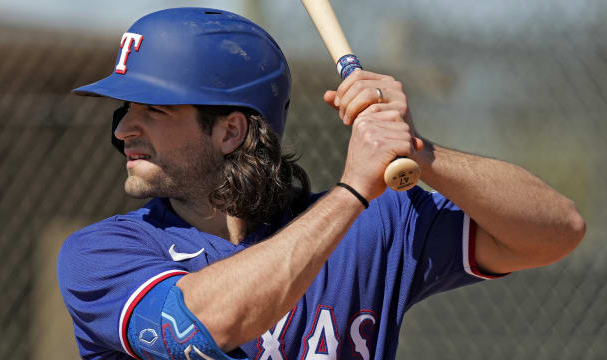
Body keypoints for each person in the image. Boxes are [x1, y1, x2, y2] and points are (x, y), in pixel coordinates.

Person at [57, 7, 585, 360]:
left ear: (230, 130)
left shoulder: (375, 229)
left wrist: (418, 149)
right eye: (125, 109)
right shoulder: (102, 253)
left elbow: (557, 231)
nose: (124, 128)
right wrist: (352, 191)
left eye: (152, 109)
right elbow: (205, 324)